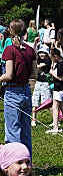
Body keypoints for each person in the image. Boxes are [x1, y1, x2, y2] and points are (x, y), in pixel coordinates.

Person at [0, 19, 38, 156]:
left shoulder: (10, 50)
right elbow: (34, 74)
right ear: (25, 32)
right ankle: (27, 165)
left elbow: (8, 75)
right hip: (26, 91)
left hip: (13, 92)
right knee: (26, 132)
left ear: (10, 31)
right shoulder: (30, 50)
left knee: (12, 132)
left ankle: (14, 165)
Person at [46, 48, 63, 134]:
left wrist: (52, 74)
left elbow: (61, 78)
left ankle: (55, 127)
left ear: (55, 56)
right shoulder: (61, 61)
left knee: (55, 107)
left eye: (52, 58)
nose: (51, 59)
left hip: (60, 88)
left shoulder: (61, 65)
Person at [31, 46, 52, 127]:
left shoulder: (48, 61)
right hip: (38, 82)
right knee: (35, 101)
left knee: (47, 102)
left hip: (45, 83)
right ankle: (33, 119)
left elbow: (37, 66)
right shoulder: (38, 60)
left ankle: (56, 119)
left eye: (43, 53)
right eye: (40, 53)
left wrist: (33, 64)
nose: (41, 54)